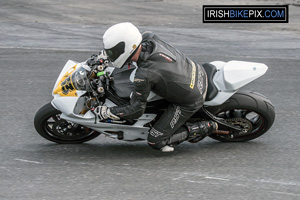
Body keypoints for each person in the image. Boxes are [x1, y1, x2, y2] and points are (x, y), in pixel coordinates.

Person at [95, 22, 217, 152]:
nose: (111, 54)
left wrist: (109, 112)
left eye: (113, 52)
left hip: (191, 99)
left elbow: (136, 109)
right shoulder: (149, 37)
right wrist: (104, 57)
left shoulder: (145, 74)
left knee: (155, 140)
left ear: (127, 48)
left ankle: (205, 127)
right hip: (196, 71)